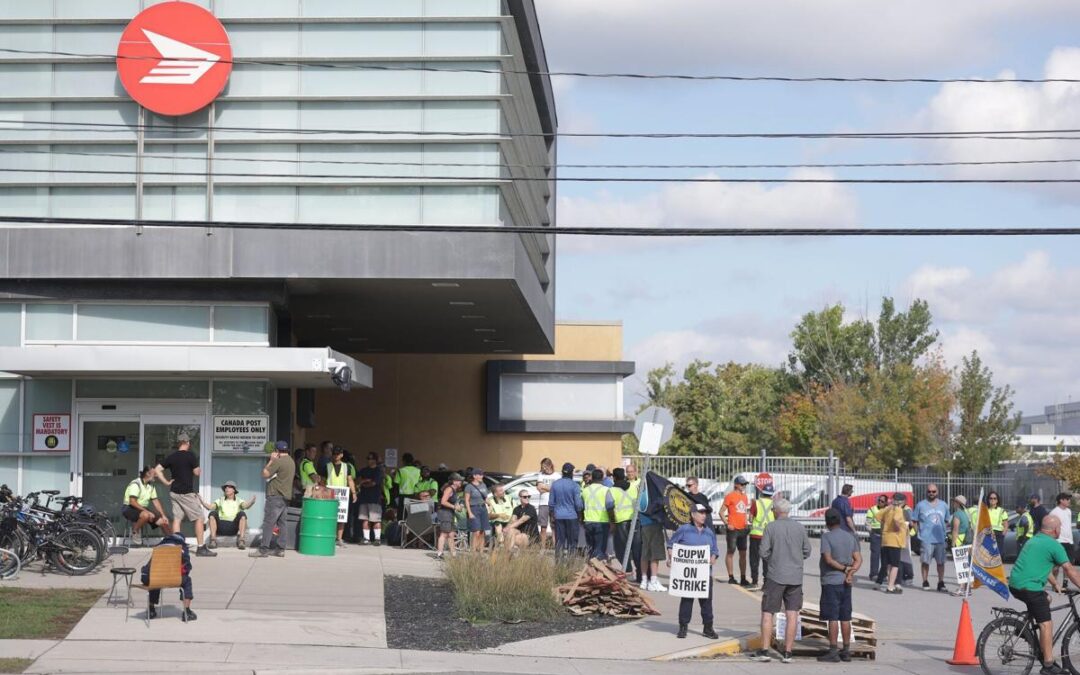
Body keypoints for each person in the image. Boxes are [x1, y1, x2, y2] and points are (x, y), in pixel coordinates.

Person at [1009, 514, 1080, 675]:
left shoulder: (1034, 540)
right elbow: (1070, 570)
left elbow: (1041, 564)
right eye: (1060, 527)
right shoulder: (1054, 545)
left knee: (1046, 598)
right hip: (1029, 587)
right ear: (1055, 530)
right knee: (1046, 624)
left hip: (1016, 584)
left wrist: (1055, 584)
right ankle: (1048, 665)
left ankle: (1025, 630)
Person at [752, 498, 811, 664]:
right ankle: (788, 653)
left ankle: (764, 650)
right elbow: (807, 550)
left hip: (775, 576)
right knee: (792, 614)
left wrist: (774, 561)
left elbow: (763, 551)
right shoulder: (799, 527)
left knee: (767, 612)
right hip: (795, 577)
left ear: (775, 511)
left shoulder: (771, 527)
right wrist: (795, 559)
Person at [154, 436, 215, 557]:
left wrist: (166, 482)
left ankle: (177, 547)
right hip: (186, 493)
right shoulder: (190, 456)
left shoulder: (172, 457)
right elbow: (197, 472)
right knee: (199, 518)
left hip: (174, 492)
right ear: (187, 442)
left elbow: (157, 470)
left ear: (178, 443)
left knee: (177, 519)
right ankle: (201, 548)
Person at [668, 503, 720, 640]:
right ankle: (683, 626)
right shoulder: (684, 529)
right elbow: (671, 545)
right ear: (693, 515)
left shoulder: (709, 532)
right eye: (701, 513)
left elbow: (715, 550)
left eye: (705, 513)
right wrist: (672, 558)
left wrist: (713, 558)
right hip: (688, 576)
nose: (704, 515)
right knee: (687, 601)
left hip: (704, 574)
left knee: (706, 602)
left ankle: (708, 628)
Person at [817, 508, 861, 662]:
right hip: (845, 583)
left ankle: (833, 650)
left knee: (833, 617)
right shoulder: (850, 537)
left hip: (831, 581)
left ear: (827, 522)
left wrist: (844, 568)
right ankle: (846, 650)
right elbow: (858, 559)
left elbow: (828, 559)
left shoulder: (826, 537)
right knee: (845, 616)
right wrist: (850, 574)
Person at [250, 441, 295, 558]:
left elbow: (265, 474)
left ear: (277, 451)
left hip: (275, 496)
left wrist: (271, 460)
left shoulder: (278, 462)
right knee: (282, 523)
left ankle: (263, 549)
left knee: (268, 523)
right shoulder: (291, 461)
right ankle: (280, 549)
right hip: (285, 497)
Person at [142, 532, 195, 621]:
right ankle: (187, 612)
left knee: (156, 578)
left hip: (151, 578)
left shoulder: (158, 547)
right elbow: (187, 566)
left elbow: (149, 567)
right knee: (187, 581)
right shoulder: (181, 547)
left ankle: (151, 609)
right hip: (172, 578)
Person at [912, 483, 949, 593]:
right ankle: (925, 581)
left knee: (941, 562)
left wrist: (944, 532)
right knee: (925, 561)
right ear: (926, 492)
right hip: (926, 539)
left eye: (933, 491)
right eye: (929, 491)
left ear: (937, 492)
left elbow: (947, 520)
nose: (931, 493)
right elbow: (914, 520)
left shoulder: (943, 505)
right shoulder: (921, 505)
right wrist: (919, 532)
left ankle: (941, 582)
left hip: (940, 539)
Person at [122, 466, 172, 545]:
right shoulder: (136, 484)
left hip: (142, 508)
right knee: (146, 515)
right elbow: (132, 502)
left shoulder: (151, 486)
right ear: (147, 474)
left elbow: (156, 501)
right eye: (154, 473)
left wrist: (163, 515)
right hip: (129, 508)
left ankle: (172, 541)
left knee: (163, 521)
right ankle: (135, 532)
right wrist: (147, 511)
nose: (156, 475)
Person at [200, 480, 255, 550]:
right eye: (225, 487)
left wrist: (252, 502)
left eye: (229, 487)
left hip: (233, 527)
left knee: (242, 514)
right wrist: (202, 502)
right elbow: (210, 507)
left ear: (234, 490)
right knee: (212, 513)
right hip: (221, 526)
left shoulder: (238, 500)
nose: (226, 489)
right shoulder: (220, 499)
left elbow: (245, 506)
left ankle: (241, 541)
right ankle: (213, 541)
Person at [720, 475, 751, 586]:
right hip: (733, 529)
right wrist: (727, 524)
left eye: (745, 484)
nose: (743, 486)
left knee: (743, 553)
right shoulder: (730, 496)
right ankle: (731, 577)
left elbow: (744, 512)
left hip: (743, 528)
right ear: (736, 485)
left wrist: (747, 522)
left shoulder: (745, 497)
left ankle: (743, 578)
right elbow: (721, 512)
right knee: (731, 552)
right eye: (742, 484)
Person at [325, 446, 358, 548]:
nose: (336, 456)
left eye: (338, 454)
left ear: (342, 455)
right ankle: (330, 537)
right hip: (329, 494)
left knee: (341, 517)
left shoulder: (346, 467)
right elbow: (322, 479)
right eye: (334, 454)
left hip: (342, 495)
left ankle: (339, 539)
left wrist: (353, 492)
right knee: (330, 517)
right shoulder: (327, 466)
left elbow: (350, 480)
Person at [550, 463, 583, 559]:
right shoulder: (575, 485)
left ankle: (558, 565)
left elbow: (551, 503)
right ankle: (570, 565)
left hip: (558, 516)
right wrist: (580, 515)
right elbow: (578, 504)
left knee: (559, 542)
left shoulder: (555, 484)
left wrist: (552, 515)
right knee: (572, 542)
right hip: (572, 517)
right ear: (571, 473)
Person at [638, 479, 667, 592]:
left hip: (644, 525)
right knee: (655, 553)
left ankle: (644, 580)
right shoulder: (651, 497)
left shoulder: (640, 495)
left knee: (645, 552)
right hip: (654, 525)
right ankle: (653, 580)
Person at [879, 493, 909, 593]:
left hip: (886, 539)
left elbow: (878, 516)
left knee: (888, 564)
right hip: (895, 540)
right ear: (902, 502)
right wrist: (898, 527)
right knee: (895, 565)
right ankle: (891, 586)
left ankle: (889, 583)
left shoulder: (888, 509)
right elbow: (896, 520)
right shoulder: (899, 510)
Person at [583, 468, 615, 560]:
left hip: (588, 522)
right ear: (602, 478)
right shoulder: (606, 490)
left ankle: (591, 569)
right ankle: (597, 571)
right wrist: (612, 522)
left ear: (592, 478)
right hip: (602, 522)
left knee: (591, 549)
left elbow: (581, 507)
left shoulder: (585, 490)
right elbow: (610, 507)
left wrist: (582, 520)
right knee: (600, 550)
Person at [610, 468, 637, 577]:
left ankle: (628, 570)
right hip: (634, 520)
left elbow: (609, 506)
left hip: (620, 521)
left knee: (620, 549)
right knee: (635, 548)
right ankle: (639, 573)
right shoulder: (633, 487)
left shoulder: (612, 490)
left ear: (614, 477)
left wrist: (612, 522)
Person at [749, 484, 776, 588]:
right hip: (769, 536)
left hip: (756, 535)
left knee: (754, 559)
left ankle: (754, 581)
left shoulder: (756, 503)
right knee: (767, 560)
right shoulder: (774, 504)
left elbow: (750, 519)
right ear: (771, 494)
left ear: (762, 492)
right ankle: (766, 583)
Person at [433, 473, 464, 560]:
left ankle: (453, 554)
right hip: (445, 513)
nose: (460, 482)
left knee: (451, 534)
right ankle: (439, 554)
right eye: (459, 480)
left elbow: (452, 502)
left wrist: (458, 506)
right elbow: (443, 501)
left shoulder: (454, 490)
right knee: (444, 534)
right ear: (454, 481)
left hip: (449, 513)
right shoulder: (449, 489)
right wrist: (454, 507)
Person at [356, 452, 383, 546]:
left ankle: (377, 539)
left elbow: (374, 483)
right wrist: (365, 481)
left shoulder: (378, 471)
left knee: (376, 519)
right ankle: (366, 539)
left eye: (371, 458)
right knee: (365, 519)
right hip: (364, 498)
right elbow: (357, 480)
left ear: (375, 460)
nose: (369, 460)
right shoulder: (364, 470)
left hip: (374, 499)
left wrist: (364, 482)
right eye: (368, 458)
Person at [1050, 492, 1075, 579]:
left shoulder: (1069, 511)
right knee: (1056, 565)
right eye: (1067, 499)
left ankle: (1065, 584)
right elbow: (1051, 527)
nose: (1069, 501)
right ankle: (1055, 584)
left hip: (1069, 541)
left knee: (1068, 565)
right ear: (1061, 500)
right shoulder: (1054, 512)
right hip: (1059, 541)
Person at [464, 469, 490, 552]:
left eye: (482, 474)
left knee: (483, 531)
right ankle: (473, 551)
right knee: (476, 531)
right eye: (480, 475)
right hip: (473, 508)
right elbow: (466, 500)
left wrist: (489, 503)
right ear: (474, 476)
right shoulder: (469, 486)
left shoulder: (483, 485)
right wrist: (469, 512)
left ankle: (481, 551)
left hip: (483, 508)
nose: (482, 476)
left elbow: (485, 497)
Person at [536, 458, 557, 549]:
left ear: (550, 465)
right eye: (542, 467)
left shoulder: (557, 476)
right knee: (543, 527)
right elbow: (539, 488)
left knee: (554, 527)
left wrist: (545, 487)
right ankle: (543, 548)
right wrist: (550, 488)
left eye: (544, 466)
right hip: (543, 503)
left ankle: (555, 546)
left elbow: (556, 490)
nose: (543, 469)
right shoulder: (540, 475)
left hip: (553, 503)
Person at [866, 494, 887, 582]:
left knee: (885, 556)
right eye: (879, 500)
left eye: (882, 501)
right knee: (875, 555)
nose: (879, 502)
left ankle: (883, 574)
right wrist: (871, 532)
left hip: (885, 536)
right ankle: (874, 574)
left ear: (886, 502)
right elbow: (868, 522)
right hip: (875, 535)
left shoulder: (888, 510)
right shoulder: (872, 509)